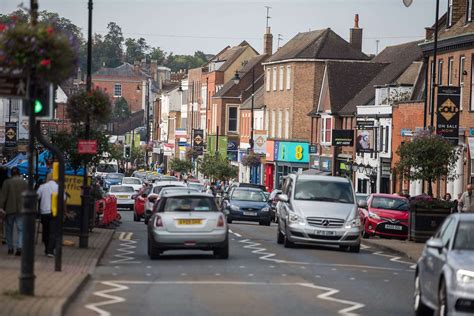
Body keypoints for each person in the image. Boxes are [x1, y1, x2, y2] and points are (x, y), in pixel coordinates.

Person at [0, 167, 27, 256]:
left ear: (11, 174)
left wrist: (1, 208)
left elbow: (3, 197)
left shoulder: (7, 182)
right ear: (19, 173)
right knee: (21, 230)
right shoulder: (24, 182)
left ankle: (10, 248)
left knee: (9, 229)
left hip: (9, 209)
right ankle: (19, 247)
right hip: (21, 209)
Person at [37, 173, 58, 257]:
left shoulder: (42, 187)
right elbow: (64, 198)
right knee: (53, 232)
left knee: (45, 231)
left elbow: (37, 197)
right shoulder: (58, 187)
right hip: (54, 212)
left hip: (44, 212)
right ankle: (50, 250)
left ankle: (47, 248)